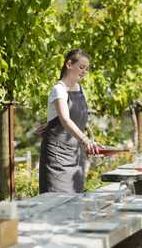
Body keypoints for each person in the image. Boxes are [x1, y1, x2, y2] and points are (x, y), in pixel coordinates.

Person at [38, 49, 99, 193]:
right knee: (57, 202)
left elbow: (76, 117)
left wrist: (51, 123)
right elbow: (65, 119)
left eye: (86, 69)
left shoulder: (80, 89)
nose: (84, 71)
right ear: (69, 64)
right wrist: (85, 140)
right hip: (57, 157)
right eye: (81, 67)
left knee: (75, 203)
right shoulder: (58, 89)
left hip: (76, 155)